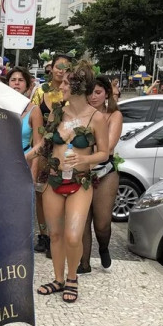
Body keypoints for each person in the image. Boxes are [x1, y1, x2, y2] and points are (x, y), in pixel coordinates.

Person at [32, 61, 110, 303]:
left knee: (73, 235)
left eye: (65, 82)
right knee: (55, 234)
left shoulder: (96, 118)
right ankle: (58, 279)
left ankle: (72, 277)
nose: (61, 85)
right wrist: (24, 158)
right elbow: (44, 145)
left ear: (77, 86)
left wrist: (84, 157)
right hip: (53, 180)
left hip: (81, 181)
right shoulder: (57, 111)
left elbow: (104, 153)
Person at [79, 76, 122, 273]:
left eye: (98, 92)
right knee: (82, 220)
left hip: (105, 171)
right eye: (89, 92)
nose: (93, 97)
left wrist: (82, 147)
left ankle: (103, 247)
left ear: (106, 93)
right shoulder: (80, 114)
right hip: (81, 172)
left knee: (102, 223)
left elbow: (109, 146)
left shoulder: (114, 115)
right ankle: (84, 263)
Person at [30, 54, 72, 256]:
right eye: (58, 66)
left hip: (65, 149)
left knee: (60, 191)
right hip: (42, 147)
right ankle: (44, 235)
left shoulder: (71, 93)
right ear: (51, 68)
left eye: (65, 67)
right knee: (40, 191)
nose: (61, 70)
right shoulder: (40, 91)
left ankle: (58, 236)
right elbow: (31, 116)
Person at [7, 66, 43, 181]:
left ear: (27, 86)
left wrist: (33, 172)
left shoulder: (34, 110)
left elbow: (39, 144)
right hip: (3, 162)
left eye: (21, 80)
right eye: (13, 80)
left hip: (25, 161)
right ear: (8, 84)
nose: (16, 83)